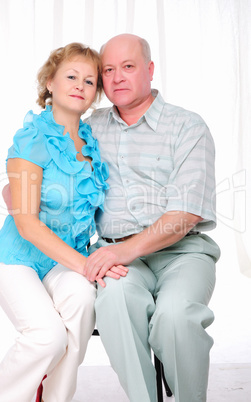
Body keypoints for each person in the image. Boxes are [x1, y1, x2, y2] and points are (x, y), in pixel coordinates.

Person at [0, 42, 127, 402]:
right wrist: (89, 266)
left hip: (64, 260)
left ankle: (54, 399)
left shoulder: (93, 143)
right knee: (47, 335)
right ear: (50, 82)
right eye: (71, 76)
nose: (80, 85)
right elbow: (28, 225)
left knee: (82, 302)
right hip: (18, 258)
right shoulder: (33, 138)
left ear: (96, 93)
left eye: (90, 81)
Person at [83, 34, 221, 402]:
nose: (117, 77)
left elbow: (186, 214)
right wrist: (18, 189)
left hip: (183, 253)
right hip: (118, 257)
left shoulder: (187, 127)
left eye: (128, 67)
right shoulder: (90, 128)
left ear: (150, 70)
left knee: (176, 319)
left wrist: (121, 252)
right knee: (113, 303)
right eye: (108, 70)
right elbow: (48, 168)